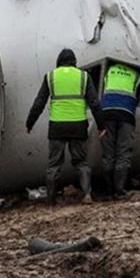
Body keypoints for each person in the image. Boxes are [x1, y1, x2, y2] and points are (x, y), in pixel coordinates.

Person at [25, 49, 102, 204]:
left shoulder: (51, 76)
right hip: (78, 125)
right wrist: (102, 125)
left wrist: (30, 122)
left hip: (57, 127)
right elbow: (94, 103)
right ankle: (87, 194)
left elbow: (39, 103)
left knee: (54, 165)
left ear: (58, 61)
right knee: (81, 162)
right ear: (74, 62)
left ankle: (51, 201)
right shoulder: (83, 77)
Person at [100, 63, 140, 199]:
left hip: (107, 113)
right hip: (126, 114)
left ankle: (108, 192)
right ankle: (120, 190)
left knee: (108, 155)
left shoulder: (110, 69)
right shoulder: (137, 74)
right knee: (123, 154)